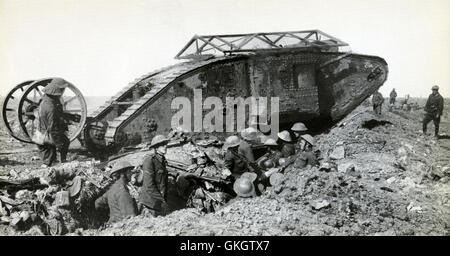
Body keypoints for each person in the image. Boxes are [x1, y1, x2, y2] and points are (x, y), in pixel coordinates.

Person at [37, 78, 70, 167]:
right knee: (64, 142)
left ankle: (54, 162)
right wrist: (59, 143)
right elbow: (53, 128)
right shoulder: (51, 107)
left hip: (40, 135)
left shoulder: (45, 99)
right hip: (46, 139)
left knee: (63, 142)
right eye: (63, 89)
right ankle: (54, 164)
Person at [139, 135, 170, 217]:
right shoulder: (149, 160)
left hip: (158, 202)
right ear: (156, 148)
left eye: (165, 144)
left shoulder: (162, 160)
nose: (165, 146)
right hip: (151, 204)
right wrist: (162, 201)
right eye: (162, 144)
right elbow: (149, 185)